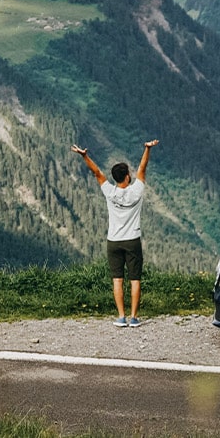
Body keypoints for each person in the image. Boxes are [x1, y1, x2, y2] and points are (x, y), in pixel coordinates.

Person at [72, 140, 158, 328]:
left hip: (114, 241)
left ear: (115, 178)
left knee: (117, 280)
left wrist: (84, 155)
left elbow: (96, 172)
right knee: (135, 279)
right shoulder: (136, 191)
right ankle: (134, 317)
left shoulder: (109, 192)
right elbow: (143, 168)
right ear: (127, 177)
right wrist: (147, 149)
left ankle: (121, 316)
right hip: (132, 240)